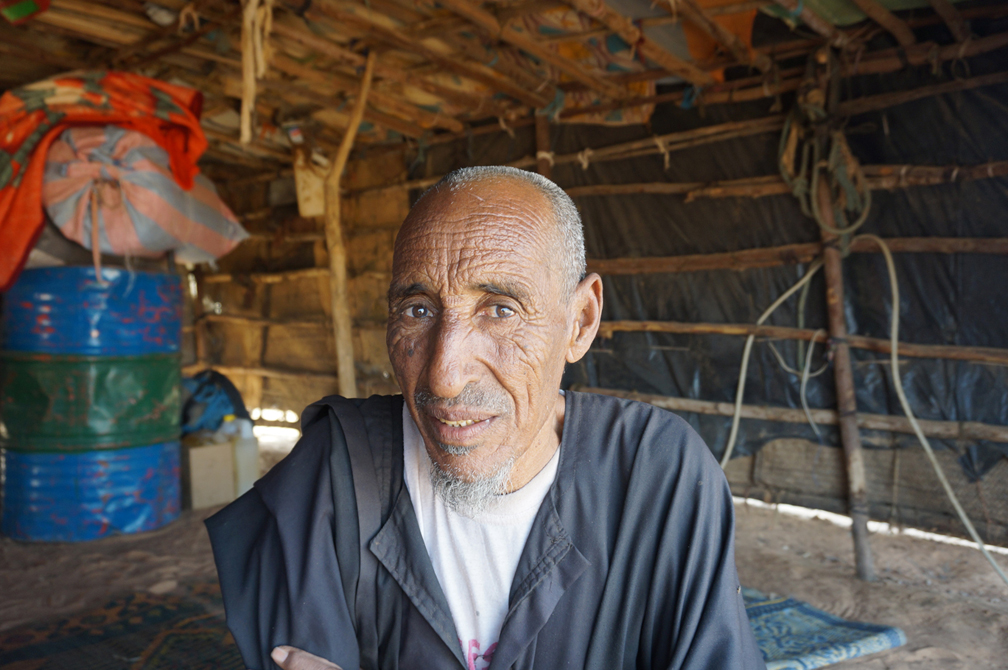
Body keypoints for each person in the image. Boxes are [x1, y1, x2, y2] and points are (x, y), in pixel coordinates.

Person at [206, 166, 765, 670]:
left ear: (580, 322)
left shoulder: (658, 475)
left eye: (500, 310)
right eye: (418, 310)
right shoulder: (333, 472)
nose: (444, 377)